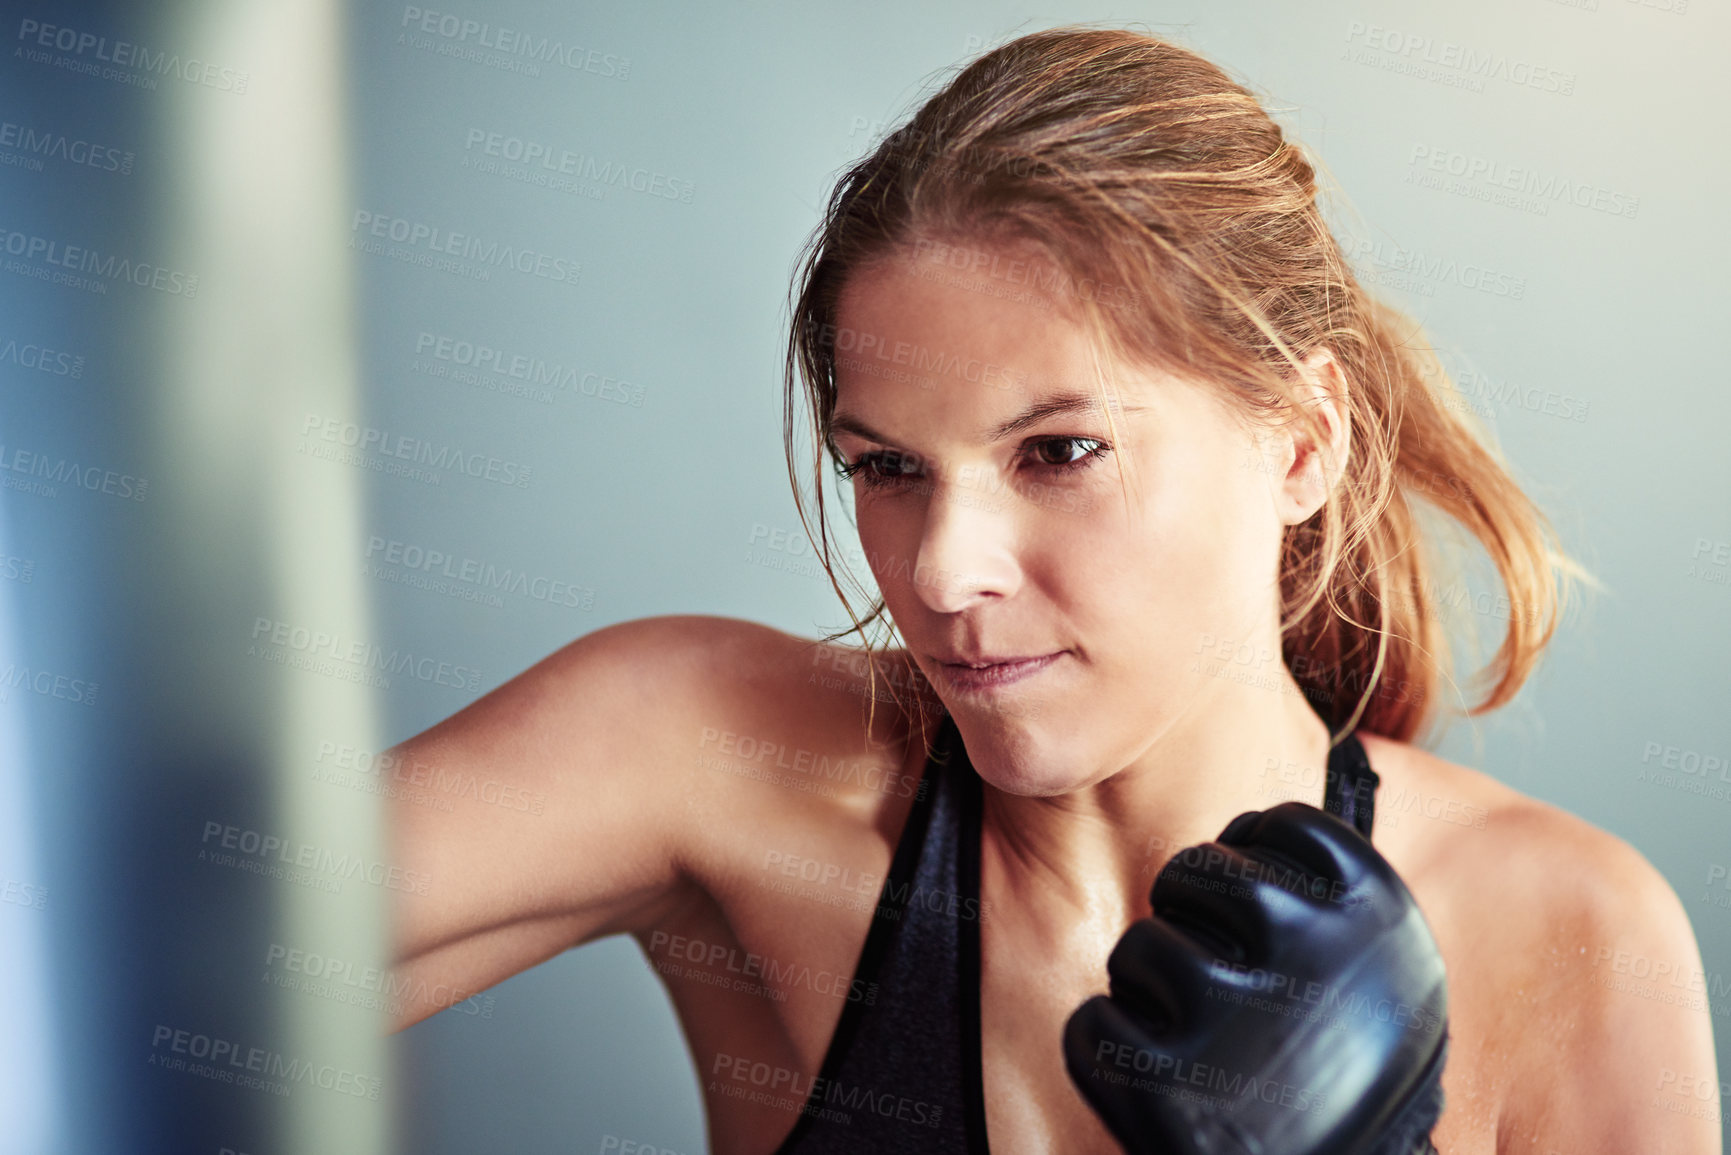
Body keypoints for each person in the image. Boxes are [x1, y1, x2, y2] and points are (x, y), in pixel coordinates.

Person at [387, 26, 1721, 1154]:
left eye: (1060, 451)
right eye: (887, 466)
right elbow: (192, 934)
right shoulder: (722, 760)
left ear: (1306, 443)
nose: (939, 570)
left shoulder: (1569, 935)